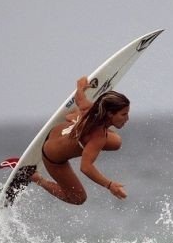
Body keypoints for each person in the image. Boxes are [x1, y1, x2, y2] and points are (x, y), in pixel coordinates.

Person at [30, 76, 130, 205]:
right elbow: (86, 167)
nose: (127, 118)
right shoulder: (98, 136)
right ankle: (36, 178)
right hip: (52, 156)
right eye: (123, 114)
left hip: (57, 132)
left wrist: (80, 87)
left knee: (116, 142)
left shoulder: (90, 109)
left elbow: (79, 98)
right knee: (78, 198)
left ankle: (74, 118)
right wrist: (110, 185)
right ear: (110, 114)